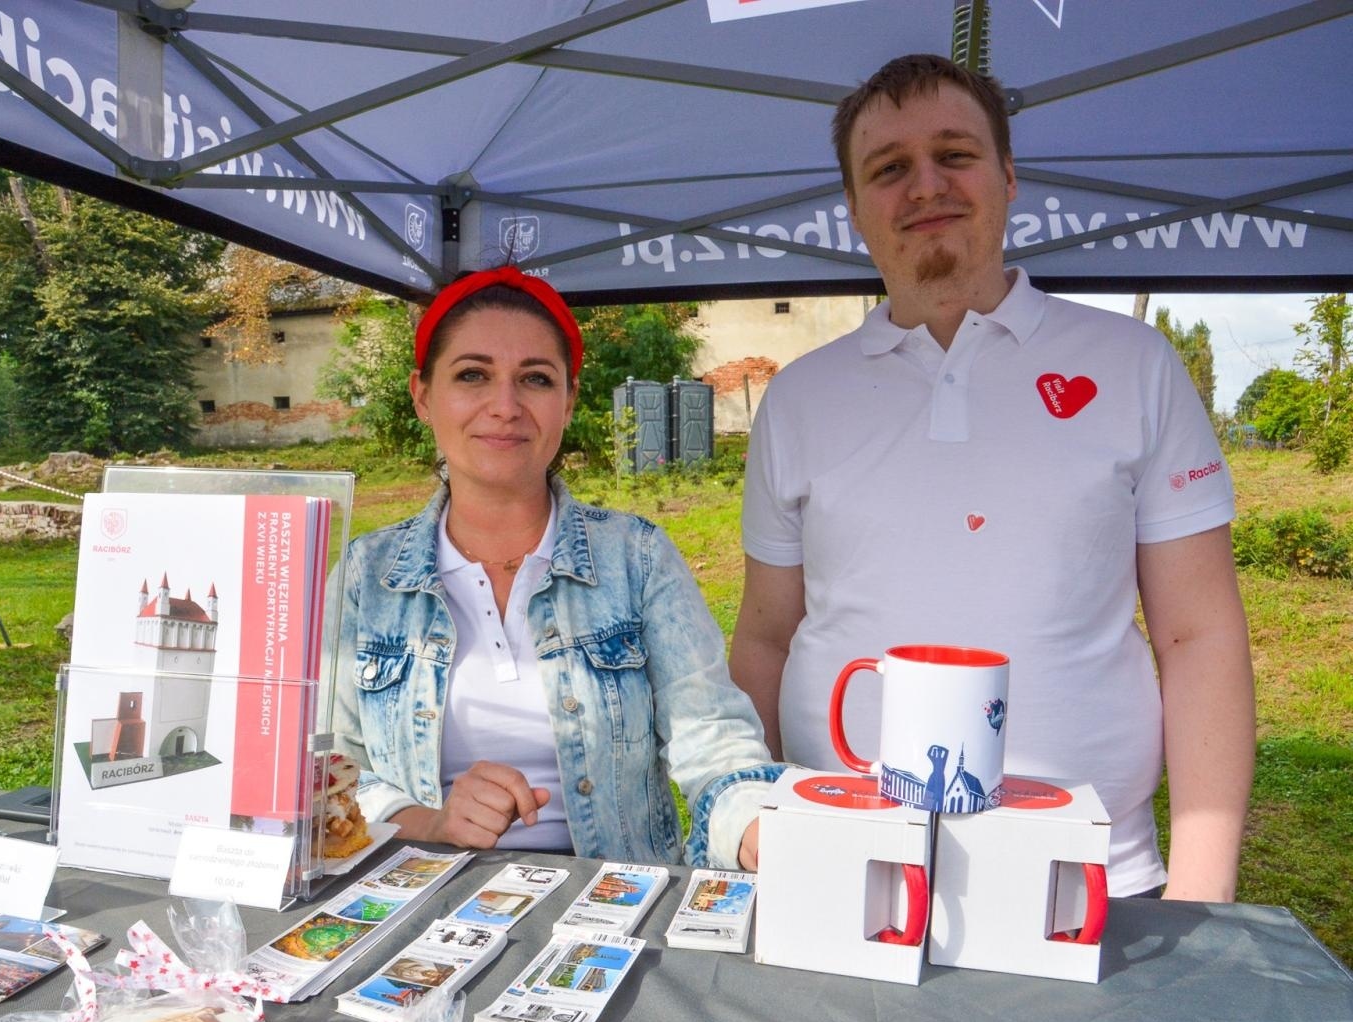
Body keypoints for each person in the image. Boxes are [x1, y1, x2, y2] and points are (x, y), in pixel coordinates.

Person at [729, 54, 1254, 902]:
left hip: (1087, 881)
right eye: (889, 169)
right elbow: (765, 639)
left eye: (955, 154)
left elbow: (1199, 637)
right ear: (856, 211)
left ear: (1009, 178)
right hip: (843, 873)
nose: (925, 185)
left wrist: (1202, 891)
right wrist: (750, 821)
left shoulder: (1133, 367)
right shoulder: (796, 399)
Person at [331, 266, 785, 870]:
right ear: (422, 396)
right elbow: (329, 766)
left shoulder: (638, 558)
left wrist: (752, 825)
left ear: (568, 401)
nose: (505, 406)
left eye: (535, 379)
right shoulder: (368, 574)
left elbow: (714, 738)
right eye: (472, 375)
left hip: (612, 904)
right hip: (421, 898)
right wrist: (432, 821)